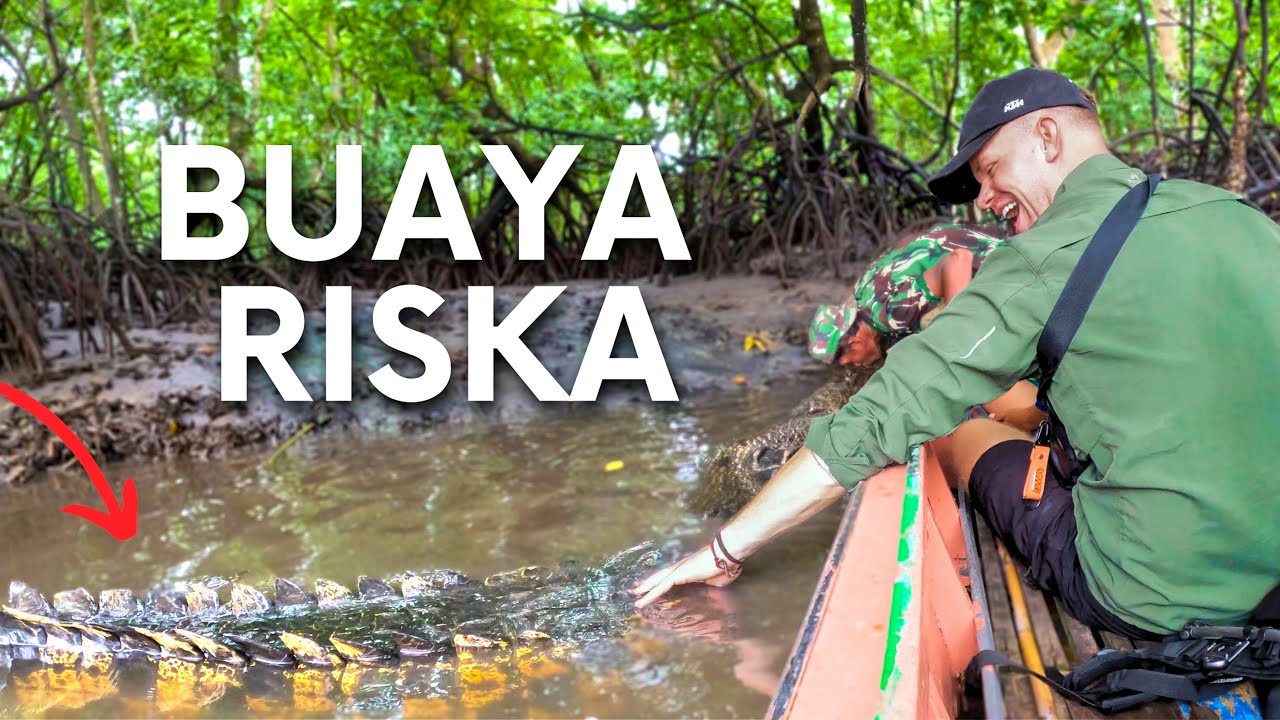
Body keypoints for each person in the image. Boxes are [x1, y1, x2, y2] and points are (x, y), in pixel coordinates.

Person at [633, 68, 1280, 642]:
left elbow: (873, 423)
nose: (985, 200)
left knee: (956, 429)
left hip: (1157, 591)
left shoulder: (1037, 259)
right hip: (1270, 576)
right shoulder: (1240, 216)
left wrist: (721, 550)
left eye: (991, 170)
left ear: (1049, 139)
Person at [808, 223, 1043, 431]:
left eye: (854, 359)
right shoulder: (861, 296)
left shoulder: (890, 311)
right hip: (980, 245)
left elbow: (957, 259)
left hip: (1007, 268)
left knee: (955, 360)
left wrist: (960, 337)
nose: (857, 365)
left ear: (855, 341)